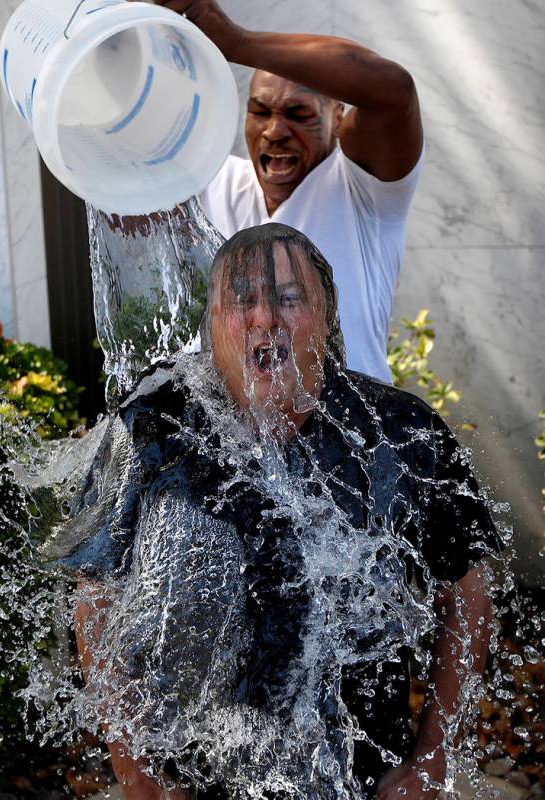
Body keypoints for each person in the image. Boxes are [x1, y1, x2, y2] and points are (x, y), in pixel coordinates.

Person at [59, 224, 500, 800]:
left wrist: (431, 761)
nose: (265, 317)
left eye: (290, 298)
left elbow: (468, 591)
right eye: (242, 299)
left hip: (359, 779)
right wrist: (138, 777)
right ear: (212, 326)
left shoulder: (398, 433)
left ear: (327, 319)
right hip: (196, 783)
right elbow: (96, 599)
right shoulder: (151, 428)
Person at [151, 0, 425, 384]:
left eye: (299, 115)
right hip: (239, 434)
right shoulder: (215, 180)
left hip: (350, 433)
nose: (274, 131)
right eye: (260, 112)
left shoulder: (364, 190)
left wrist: (235, 42)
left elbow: (393, 91)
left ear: (337, 120)